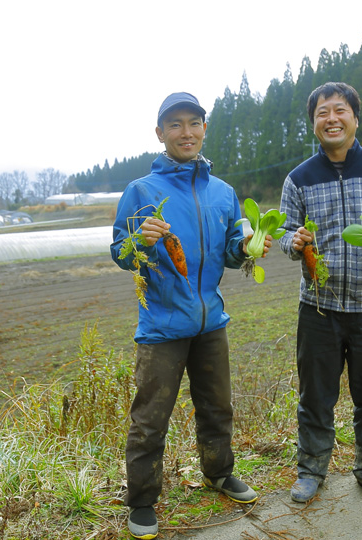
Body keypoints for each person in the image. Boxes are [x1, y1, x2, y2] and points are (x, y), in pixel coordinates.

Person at [111, 92, 269, 539]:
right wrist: (139, 240)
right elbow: (119, 254)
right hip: (162, 326)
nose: (187, 132)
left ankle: (219, 473)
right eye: (175, 124)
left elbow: (233, 250)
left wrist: (248, 248)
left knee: (218, 407)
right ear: (160, 134)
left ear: (204, 128)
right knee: (149, 420)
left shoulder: (223, 193)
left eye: (194, 122)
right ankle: (142, 500)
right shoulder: (141, 191)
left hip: (211, 322)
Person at [278, 82, 362, 507]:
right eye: (322, 113)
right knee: (315, 396)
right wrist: (293, 242)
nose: (331, 119)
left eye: (339, 110)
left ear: (356, 118)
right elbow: (284, 233)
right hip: (319, 308)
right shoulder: (299, 178)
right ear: (314, 123)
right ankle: (311, 470)